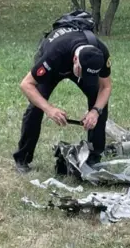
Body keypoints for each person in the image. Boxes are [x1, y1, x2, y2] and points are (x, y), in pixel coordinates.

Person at [12, 10, 112, 174]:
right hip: (56, 64)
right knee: (36, 106)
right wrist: (49, 109)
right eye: (83, 74)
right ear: (75, 61)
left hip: (76, 58)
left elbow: (106, 87)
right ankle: (23, 157)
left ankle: (94, 156)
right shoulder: (54, 54)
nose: (86, 78)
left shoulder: (101, 52)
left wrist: (95, 111)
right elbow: (26, 84)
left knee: (99, 102)